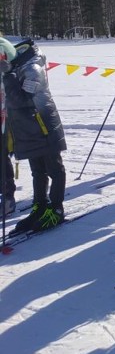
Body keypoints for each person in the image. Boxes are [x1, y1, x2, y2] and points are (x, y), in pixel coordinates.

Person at [0, 37, 68, 234]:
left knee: (54, 168)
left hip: (44, 127)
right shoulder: (13, 70)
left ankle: (56, 208)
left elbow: (22, 100)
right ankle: (40, 205)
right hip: (28, 130)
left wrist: (9, 77)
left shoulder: (32, 68)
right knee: (37, 171)